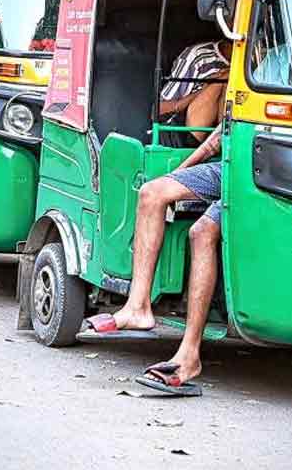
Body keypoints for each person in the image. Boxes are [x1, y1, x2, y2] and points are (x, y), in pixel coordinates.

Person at [77, 58, 230, 397]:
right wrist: (178, 175)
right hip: (227, 166)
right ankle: (138, 307)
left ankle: (189, 354)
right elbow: (217, 138)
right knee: (151, 193)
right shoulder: (252, 72)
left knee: (201, 232)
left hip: (255, 171)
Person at [157, 39, 231, 144]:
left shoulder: (253, 64)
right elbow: (160, 108)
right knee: (224, 79)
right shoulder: (198, 56)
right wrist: (208, 86)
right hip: (181, 135)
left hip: (228, 135)